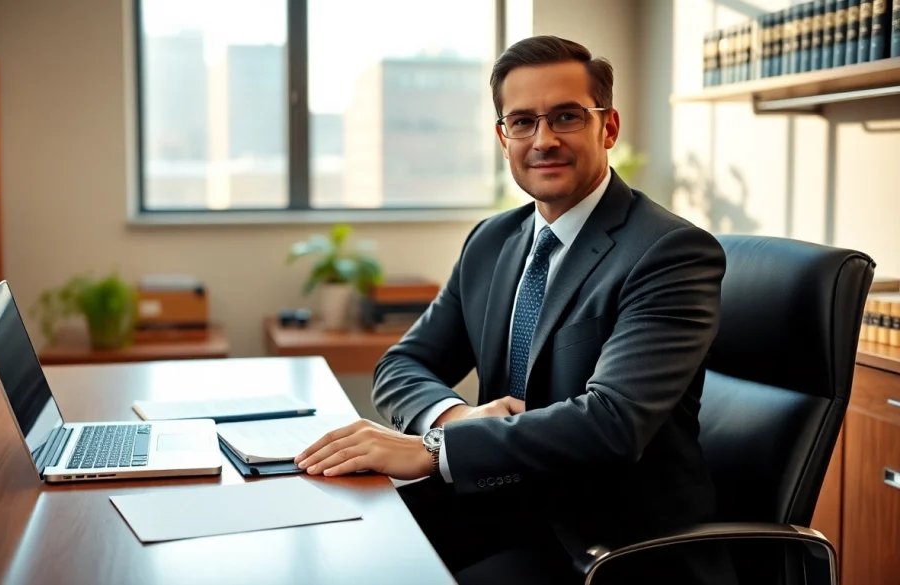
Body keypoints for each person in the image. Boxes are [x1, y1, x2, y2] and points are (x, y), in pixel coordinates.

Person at [294, 35, 735, 584]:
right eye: (522, 121)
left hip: (607, 545)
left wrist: (435, 451)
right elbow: (402, 366)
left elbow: (612, 424)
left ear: (609, 127)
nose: (543, 139)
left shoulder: (669, 252)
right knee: (327, 548)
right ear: (504, 139)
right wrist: (453, 420)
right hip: (495, 507)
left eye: (567, 117)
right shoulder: (493, 240)